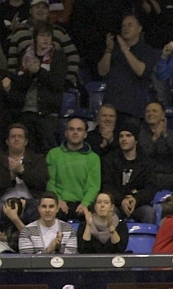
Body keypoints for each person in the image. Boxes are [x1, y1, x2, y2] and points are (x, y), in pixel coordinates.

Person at [9, 21, 66, 154]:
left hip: (47, 112)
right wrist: (30, 73)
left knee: (47, 151)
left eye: (48, 35)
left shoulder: (58, 56)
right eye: (42, 35)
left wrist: (39, 71)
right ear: (35, 37)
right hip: (26, 111)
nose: (46, 39)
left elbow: (57, 84)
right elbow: (19, 84)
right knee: (28, 151)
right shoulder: (26, 54)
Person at [98, 14, 160, 121]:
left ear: (139, 29)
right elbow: (102, 71)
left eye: (129, 25)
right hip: (111, 108)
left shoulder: (147, 50)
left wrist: (126, 50)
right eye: (123, 26)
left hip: (132, 111)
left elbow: (141, 71)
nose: (125, 28)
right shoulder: (115, 49)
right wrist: (108, 51)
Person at [100, 118, 157, 224]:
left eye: (128, 135)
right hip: (116, 203)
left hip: (139, 204)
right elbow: (107, 186)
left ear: (136, 140)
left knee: (149, 213)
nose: (124, 139)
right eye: (121, 136)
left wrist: (135, 199)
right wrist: (121, 200)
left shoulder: (147, 163)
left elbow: (150, 188)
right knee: (108, 213)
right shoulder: (109, 160)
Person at [46, 117, 100, 219]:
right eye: (71, 129)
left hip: (83, 204)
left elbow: (93, 186)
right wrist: (57, 200)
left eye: (79, 129)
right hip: (59, 203)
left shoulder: (94, 158)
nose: (75, 132)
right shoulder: (53, 154)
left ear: (85, 134)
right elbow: (50, 182)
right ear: (66, 133)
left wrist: (85, 204)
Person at [140, 101, 173, 190]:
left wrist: (165, 135)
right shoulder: (141, 135)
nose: (150, 114)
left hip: (171, 175)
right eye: (148, 111)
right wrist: (155, 137)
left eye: (154, 111)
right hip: (149, 176)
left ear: (163, 115)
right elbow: (143, 154)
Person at [0, 123, 48, 201]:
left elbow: (42, 182)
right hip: (4, 202)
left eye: (20, 136)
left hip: (31, 202)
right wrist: (11, 175)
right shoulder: (1, 160)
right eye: (13, 136)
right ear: (7, 141)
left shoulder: (37, 159)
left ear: (26, 142)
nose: (16, 139)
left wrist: (22, 172)